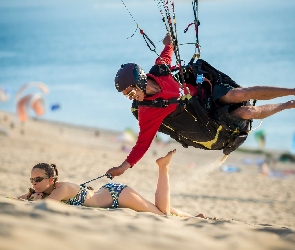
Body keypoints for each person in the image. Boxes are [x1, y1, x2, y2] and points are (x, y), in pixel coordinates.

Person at [107, 33, 295, 178]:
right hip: (205, 117)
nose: (132, 97)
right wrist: (123, 167)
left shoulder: (160, 70)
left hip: (206, 96)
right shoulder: (147, 111)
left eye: (131, 92)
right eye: (127, 96)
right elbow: (142, 144)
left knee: (240, 94)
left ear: (140, 80)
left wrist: (168, 42)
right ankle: (288, 104)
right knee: (247, 111)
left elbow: (167, 52)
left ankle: (292, 90)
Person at [17, 150, 205, 218]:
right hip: (107, 193)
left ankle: (163, 168)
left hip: (117, 195)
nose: (34, 183)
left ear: (51, 180)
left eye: (38, 180)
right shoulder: (46, 191)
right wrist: (30, 195)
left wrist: (34, 198)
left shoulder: (61, 188)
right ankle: (194, 217)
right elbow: (22, 199)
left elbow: (45, 206)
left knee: (161, 214)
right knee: (155, 207)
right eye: (32, 180)